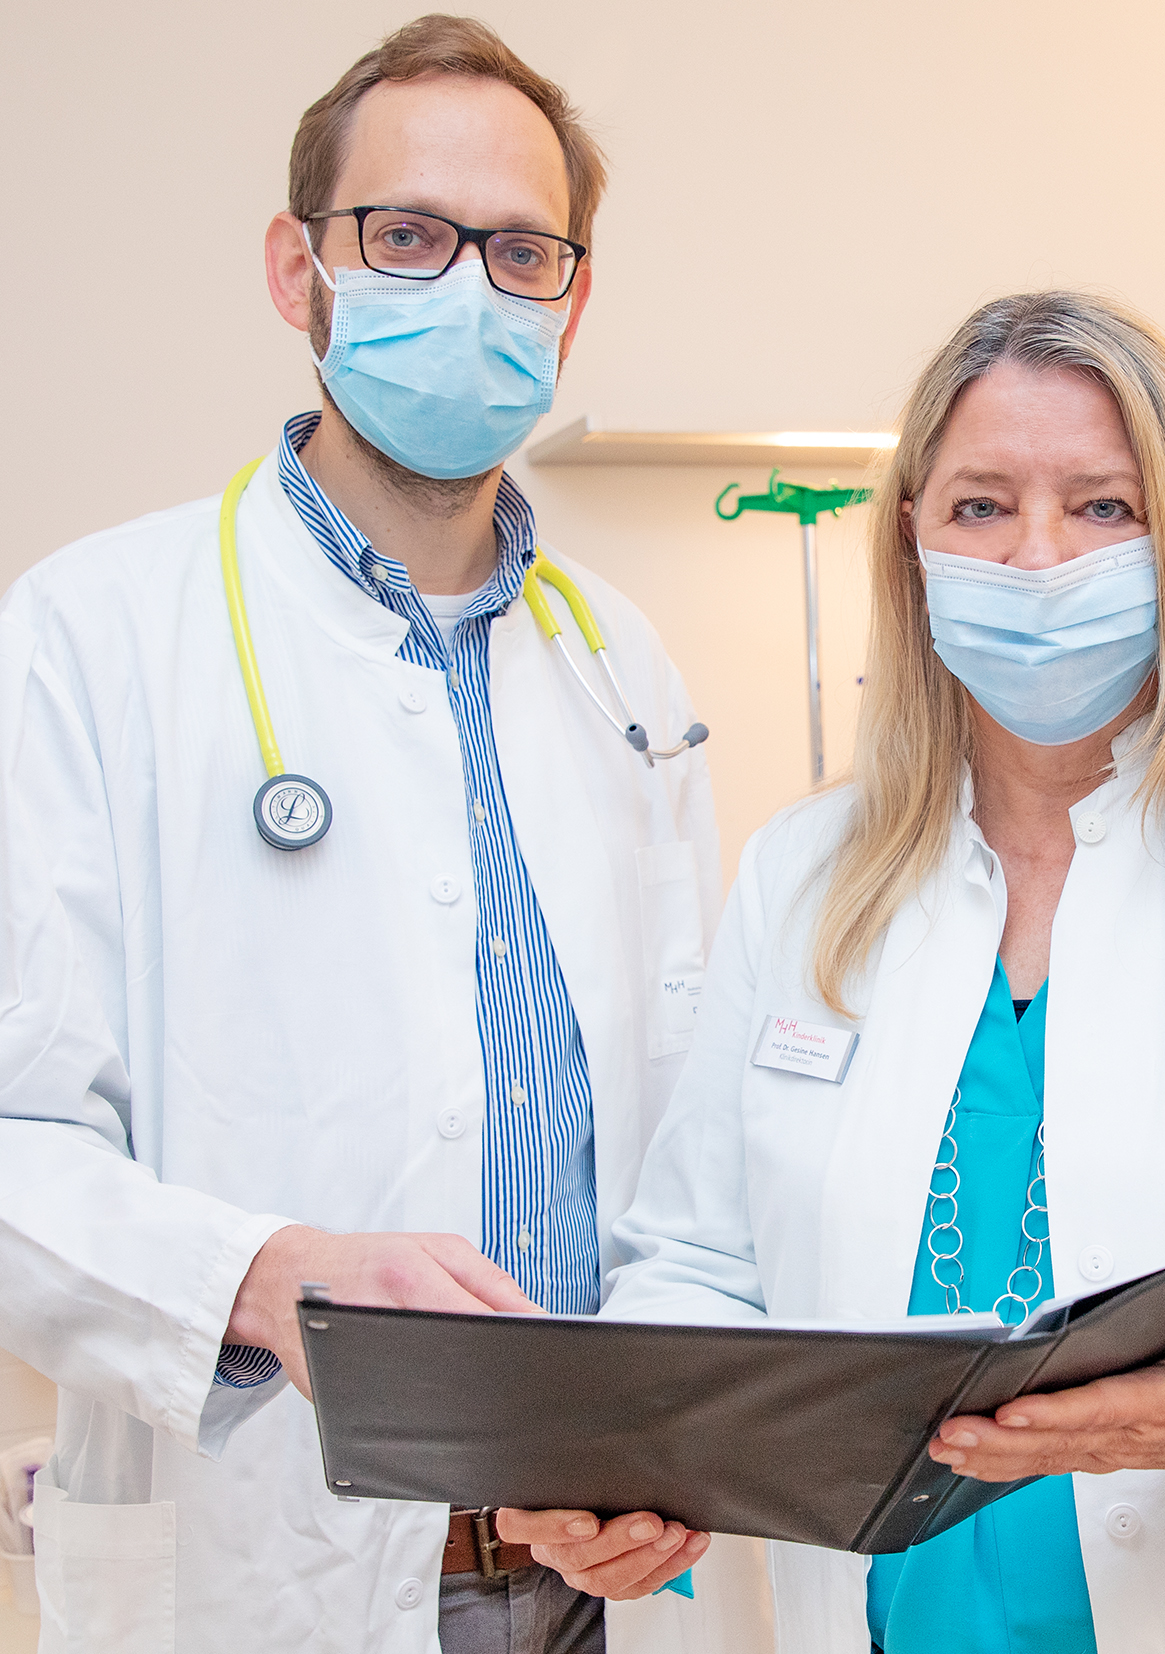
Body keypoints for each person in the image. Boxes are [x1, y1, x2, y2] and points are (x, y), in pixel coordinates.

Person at [491, 292, 1165, 1652]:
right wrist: (641, 1457)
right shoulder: (805, 869)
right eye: (983, 506)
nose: (1038, 558)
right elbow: (703, 1261)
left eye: (1104, 507)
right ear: (915, 537)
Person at [0, 18, 734, 1652]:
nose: (468, 287)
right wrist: (258, 1274)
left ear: (573, 293)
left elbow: (692, 1134)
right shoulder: (90, 638)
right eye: (406, 237)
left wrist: (676, 1418)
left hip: (595, 1567)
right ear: (296, 268)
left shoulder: (626, 663)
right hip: (270, 1562)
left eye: (520, 250)